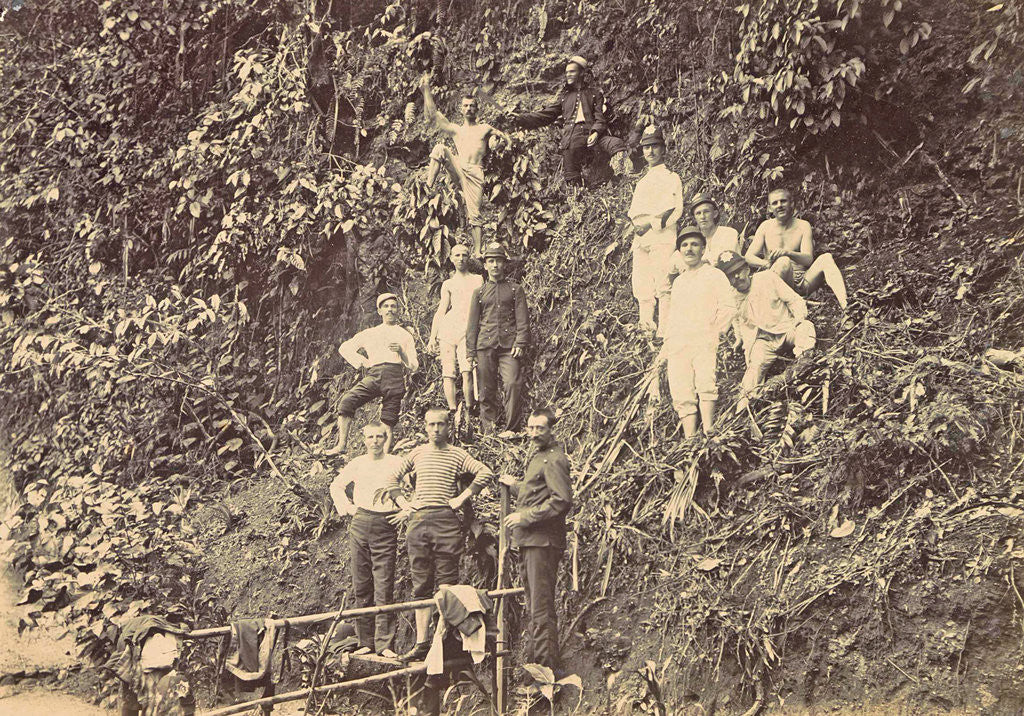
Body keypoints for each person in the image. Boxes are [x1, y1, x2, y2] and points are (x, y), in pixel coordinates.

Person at [384, 408, 495, 662]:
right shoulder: (417, 453)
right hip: (419, 521)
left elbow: (485, 472)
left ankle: (442, 640)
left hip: (446, 522)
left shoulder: (457, 455)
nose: (436, 429)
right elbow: (392, 478)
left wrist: (460, 498)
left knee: (447, 582)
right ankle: (422, 642)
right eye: (431, 424)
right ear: (425, 427)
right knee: (421, 583)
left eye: (441, 424)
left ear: (448, 427)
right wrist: (404, 503)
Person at [498, 407, 573, 679]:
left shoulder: (554, 459)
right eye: (530, 428)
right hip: (529, 542)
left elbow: (561, 500)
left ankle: (545, 673)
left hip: (542, 543)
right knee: (533, 605)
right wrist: (516, 485)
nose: (533, 434)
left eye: (539, 428)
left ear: (552, 429)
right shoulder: (538, 458)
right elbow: (536, 493)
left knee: (540, 608)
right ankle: (536, 668)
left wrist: (524, 517)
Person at [329, 423, 406, 658]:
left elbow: (413, 485)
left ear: (386, 438)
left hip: (386, 524)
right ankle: (366, 641)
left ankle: (385, 645)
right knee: (361, 583)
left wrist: (404, 510)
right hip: (360, 522)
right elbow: (336, 486)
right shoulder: (358, 463)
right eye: (370, 437)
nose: (375, 441)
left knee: (383, 582)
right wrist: (348, 508)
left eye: (379, 436)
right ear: (364, 439)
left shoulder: (396, 462)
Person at [716, 250, 817, 411]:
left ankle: (802, 365)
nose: (737, 277)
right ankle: (743, 409)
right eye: (731, 275)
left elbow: (794, 300)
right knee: (754, 368)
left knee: (806, 327)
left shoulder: (767, 278)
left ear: (747, 269)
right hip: (762, 340)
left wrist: (799, 318)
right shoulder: (732, 297)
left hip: (786, 329)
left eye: (739, 271)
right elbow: (736, 318)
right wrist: (739, 338)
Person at [660, 227, 735, 438]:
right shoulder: (680, 282)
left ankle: (709, 429)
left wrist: (716, 331)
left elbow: (728, 307)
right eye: (684, 245)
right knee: (681, 388)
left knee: (705, 381)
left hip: (704, 338)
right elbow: (672, 316)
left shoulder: (714, 275)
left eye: (694, 244)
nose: (689, 249)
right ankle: (690, 438)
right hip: (679, 342)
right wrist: (668, 345)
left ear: (703, 249)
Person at [422, 75, 508, 256]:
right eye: (465, 106)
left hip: (476, 173)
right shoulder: (456, 130)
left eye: (472, 106)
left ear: (477, 109)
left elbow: (505, 139)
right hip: (459, 167)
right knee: (439, 148)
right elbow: (433, 116)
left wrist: (499, 142)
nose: (469, 108)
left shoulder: (484, 128)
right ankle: (428, 187)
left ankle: (477, 252)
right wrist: (426, 91)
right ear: (461, 109)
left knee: (475, 214)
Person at [513, 55, 631, 186]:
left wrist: (596, 133)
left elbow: (600, 118)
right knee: (571, 173)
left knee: (616, 144)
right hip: (571, 138)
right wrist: (519, 118)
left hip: (593, 133)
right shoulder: (564, 97)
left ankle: (623, 183)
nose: (568, 75)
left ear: (581, 73)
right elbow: (546, 115)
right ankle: (578, 200)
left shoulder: (594, 94)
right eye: (567, 72)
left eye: (572, 71)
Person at [325, 293, 419, 456]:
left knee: (388, 420)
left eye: (393, 306)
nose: (390, 309)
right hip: (373, 375)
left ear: (398, 310)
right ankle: (341, 446)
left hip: (394, 378)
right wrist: (364, 362)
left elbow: (414, 365)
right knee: (347, 401)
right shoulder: (370, 333)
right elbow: (345, 348)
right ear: (379, 311)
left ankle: (382, 457)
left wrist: (402, 352)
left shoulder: (405, 335)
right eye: (386, 306)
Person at [744, 187, 849, 309]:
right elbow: (748, 257)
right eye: (775, 203)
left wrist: (788, 253)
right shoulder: (765, 227)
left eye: (783, 201)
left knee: (826, 258)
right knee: (783, 261)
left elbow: (808, 259)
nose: (779, 205)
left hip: (803, 281)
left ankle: (845, 305)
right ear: (770, 208)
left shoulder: (803, 226)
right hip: (778, 281)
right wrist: (767, 264)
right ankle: (779, 304)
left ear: (792, 203)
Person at [466, 242, 530, 438]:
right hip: (484, 345)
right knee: (486, 389)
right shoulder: (479, 292)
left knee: (512, 383)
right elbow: (472, 324)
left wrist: (520, 342)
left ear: (505, 264)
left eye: (499, 261)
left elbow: (523, 320)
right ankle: (489, 431)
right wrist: (470, 353)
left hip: (509, 347)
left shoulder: (515, 289)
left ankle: (512, 429)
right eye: (491, 261)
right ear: (485, 265)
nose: (495, 265)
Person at [628, 125, 683, 338]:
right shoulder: (642, 182)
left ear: (663, 149)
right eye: (646, 147)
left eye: (654, 147)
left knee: (663, 281)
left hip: (661, 235)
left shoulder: (671, 177)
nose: (650, 152)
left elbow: (674, 209)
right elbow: (634, 213)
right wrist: (636, 227)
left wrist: (650, 224)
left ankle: (665, 329)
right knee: (642, 283)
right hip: (641, 238)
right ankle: (646, 326)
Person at [428, 243, 485, 420]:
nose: (461, 258)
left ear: (469, 258)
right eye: (457, 255)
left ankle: (469, 410)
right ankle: (452, 412)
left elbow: (483, 307)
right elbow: (441, 310)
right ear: (451, 259)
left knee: (467, 370)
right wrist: (432, 337)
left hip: (468, 329)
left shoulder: (478, 280)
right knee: (448, 371)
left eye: (464, 255)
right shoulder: (448, 284)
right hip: (448, 328)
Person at [690, 192, 739, 259]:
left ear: (715, 214)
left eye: (706, 212)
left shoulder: (728, 233)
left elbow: (726, 262)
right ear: (695, 218)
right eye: (698, 213)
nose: (702, 216)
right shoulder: (692, 240)